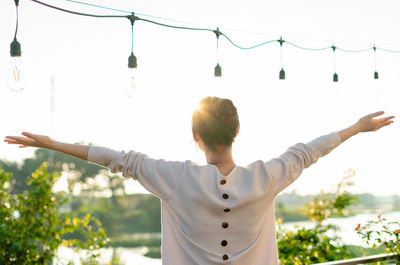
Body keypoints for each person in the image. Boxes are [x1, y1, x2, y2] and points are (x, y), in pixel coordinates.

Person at [4, 96, 395, 265]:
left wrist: (52, 143)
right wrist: (357, 128)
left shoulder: (174, 179)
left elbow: (115, 159)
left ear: (196, 138)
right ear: (237, 130)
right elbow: (308, 151)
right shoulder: (265, 177)